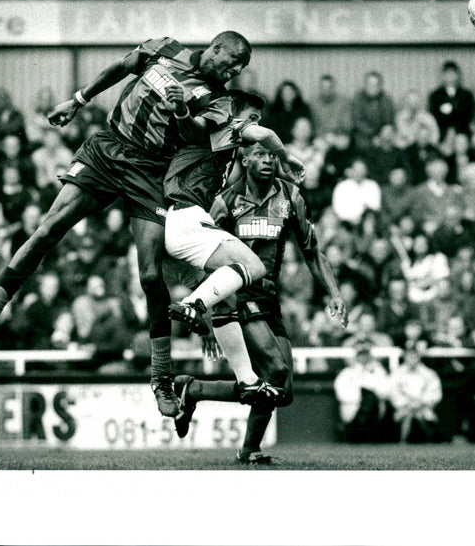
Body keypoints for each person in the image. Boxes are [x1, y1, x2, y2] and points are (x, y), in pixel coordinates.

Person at [0, 31, 254, 417]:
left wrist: (182, 112)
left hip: (151, 172)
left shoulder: (220, 99)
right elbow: (121, 67)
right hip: (108, 148)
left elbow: (198, 136)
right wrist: (79, 101)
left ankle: (161, 379)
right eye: (231, 62)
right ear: (215, 48)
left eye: (240, 68)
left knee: (150, 277)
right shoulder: (165, 48)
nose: (234, 71)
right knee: (48, 229)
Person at [171, 139, 347, 463]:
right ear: (245, 159)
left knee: (284, 390)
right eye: (259, 154)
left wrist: (334, 292)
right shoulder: (225, 201)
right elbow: (201, 259)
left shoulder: (291, 197)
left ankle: (193, 390)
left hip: (269, 296)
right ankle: (250, 448)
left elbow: (311, 249)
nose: (267, 160)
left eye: (271, 155)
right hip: (237, 295)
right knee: (276, 369)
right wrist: (208, 315)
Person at [162, 90, 306, 404]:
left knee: (230, 291)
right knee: (254, 267)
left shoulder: (222, 148)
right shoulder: (227, 125)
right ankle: (192, 304)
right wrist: (285, 155)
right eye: (252, 117)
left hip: (180, 221)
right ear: (235, 113)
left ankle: (247, 380)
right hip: (186, 215)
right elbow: (264, 134)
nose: (255, 125)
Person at [333, 337, 394, 443]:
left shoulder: (378, 371)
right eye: (361, 354)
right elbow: (342, 394)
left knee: (370, 397)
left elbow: (386, 391)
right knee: (367, 397)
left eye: (366, 354)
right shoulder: (347, 373)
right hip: (353, 413)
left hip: (374, 416)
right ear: (356, 356)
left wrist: (369, 390)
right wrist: (362, 395)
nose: (363, 358)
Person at [389, 343, 444, 442]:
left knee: (425, 417)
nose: (412, 359)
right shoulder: (397, 374)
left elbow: (435, 393)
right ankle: (404, 439)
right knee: (406, 417)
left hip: (424, 409)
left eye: (414, 356)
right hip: (403, 409)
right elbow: (393, 393)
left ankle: (425, 437)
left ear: (419, 357)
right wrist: (407, 404)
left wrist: (421, 403)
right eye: (409, 356)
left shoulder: (429, 374)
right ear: (405, 357)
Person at [427, 60, 475, 146]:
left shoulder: (466, 95)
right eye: (447, 73)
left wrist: (451, 109)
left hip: (462, 132)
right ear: (443, 76)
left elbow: (468, 114)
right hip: (441, 133)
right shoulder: (436, 95)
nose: (450, 76)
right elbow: (434, 114)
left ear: (458, 75)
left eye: (453, 73)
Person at [350, 71, 396, 148]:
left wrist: (381, 136)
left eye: (375, 84)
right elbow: (357, 121)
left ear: (380, 86)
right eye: (369, 84)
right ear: (365, 85)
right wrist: (373, 135)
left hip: (382, 135)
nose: (372, 87)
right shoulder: (357, 99)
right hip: (363, 135)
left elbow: (389, 121)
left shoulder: (387, 100)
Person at [309, 74, 352, 139]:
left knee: (344, 143)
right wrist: (324, 135)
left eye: (329, 87)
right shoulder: (313, 103)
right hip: (319, 137)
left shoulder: (343, 102)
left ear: (333, 87)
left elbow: (347, 125)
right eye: (323, 87)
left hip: (339, 136)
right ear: (320, 88)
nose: (326, 90)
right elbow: (312, 125)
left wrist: (334, 135)